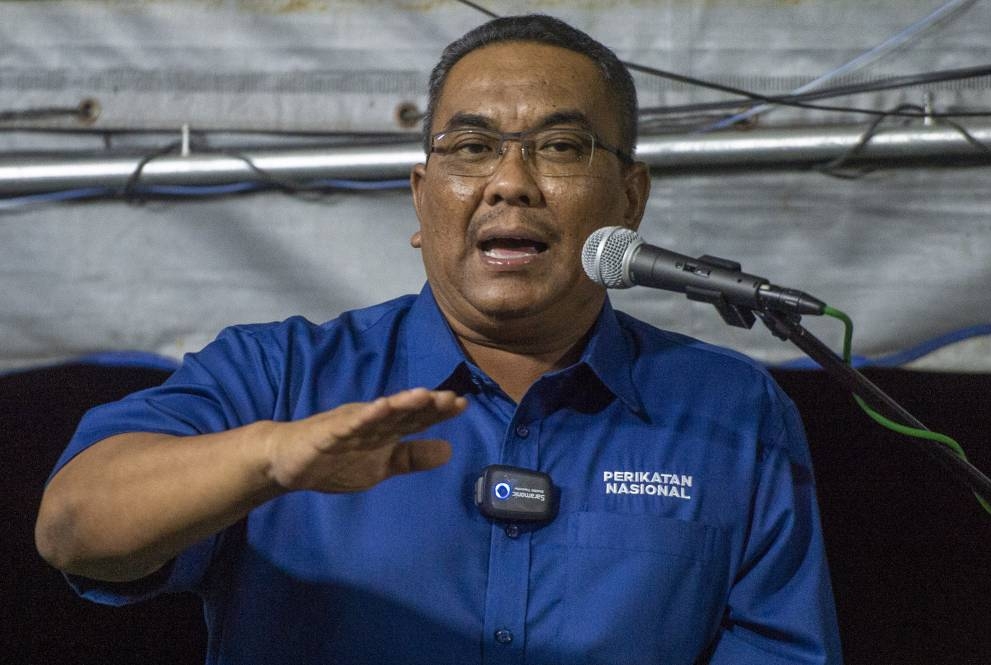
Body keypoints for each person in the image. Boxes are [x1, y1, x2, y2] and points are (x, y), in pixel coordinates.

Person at [36, 13, 843, 665]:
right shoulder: (282, 375)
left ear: (630, 199)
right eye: (472, 147)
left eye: (561, 147)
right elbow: (72, 527)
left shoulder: (731, 410)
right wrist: (271, 458)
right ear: (422, 199)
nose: (511, 183)